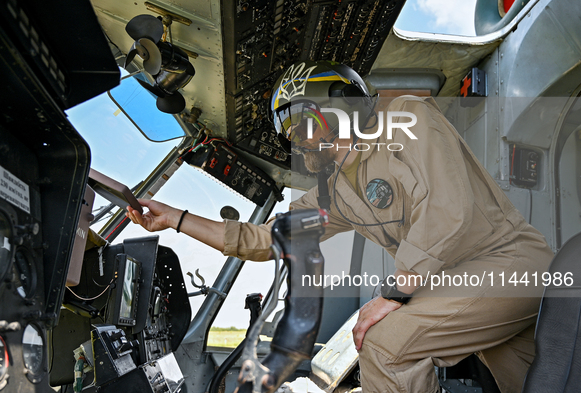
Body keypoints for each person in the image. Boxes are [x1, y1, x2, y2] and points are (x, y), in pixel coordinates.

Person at [126, 61, 553, 393]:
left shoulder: (408, 119)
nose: (299, 140)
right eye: (290, 133)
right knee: (538, 381)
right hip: (463, 285)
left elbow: (447, 210)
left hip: (509, 264)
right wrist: (175, 219)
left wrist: (393, 294)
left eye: (303, 123)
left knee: (387, 345)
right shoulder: (335, 195)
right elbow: (263, 238)